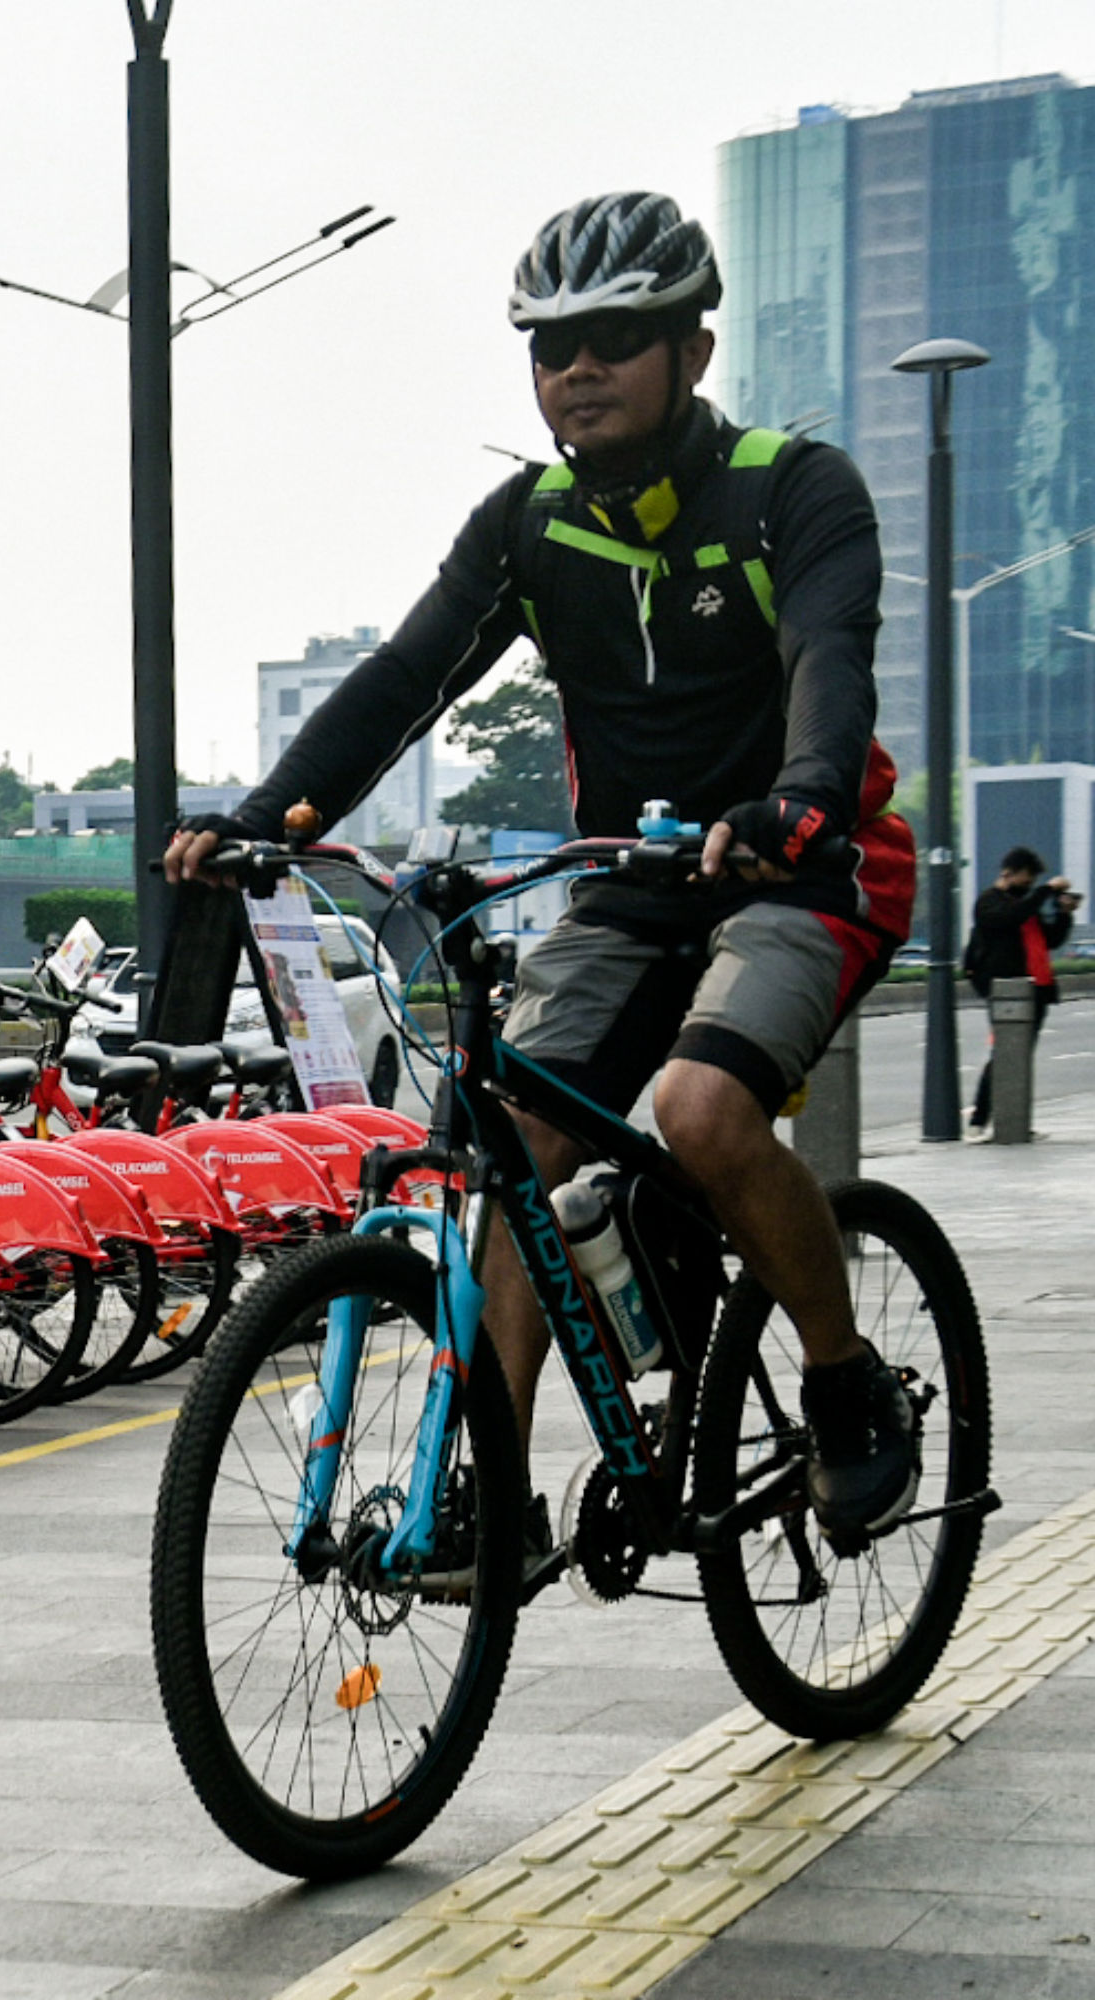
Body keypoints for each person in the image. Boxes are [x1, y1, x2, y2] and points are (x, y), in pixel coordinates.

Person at [163, 191, 921, 1578]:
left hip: (805, 868)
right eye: (552, 344)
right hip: (632, 884)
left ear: (692, 348)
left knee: (701, 1108)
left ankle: (842, 1377)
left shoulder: (790, 490)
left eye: (617, 336)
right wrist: (272, 812)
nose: (579, 367)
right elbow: (406, 677)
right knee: (509, 1141)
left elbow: (832, 653)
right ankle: (492, 1489)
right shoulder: (530, 526)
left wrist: (802, 796)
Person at [966, 845, 1078, 1132]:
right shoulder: (989, 902)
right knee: (1003, 1054)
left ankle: (1015, 1121)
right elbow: (1008, 918)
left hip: (1037, 988)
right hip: (1006, 990)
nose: (1030, 885)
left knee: (1021, 1056)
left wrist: (1064, 913)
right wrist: (1045, 891)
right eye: (1027, 878)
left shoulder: (1026, 906)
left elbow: (1049, 940)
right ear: (1008, 873)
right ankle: (980, 1119)